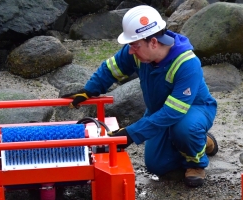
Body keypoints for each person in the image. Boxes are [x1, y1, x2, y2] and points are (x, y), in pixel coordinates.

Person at [63, 5, 218, 187]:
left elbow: (173, 113)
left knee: (184, 129)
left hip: (193, 110)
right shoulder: (137, 50)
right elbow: (111, 69)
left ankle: (196, 162)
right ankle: (195, 142)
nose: (130, 50)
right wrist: (89, 90)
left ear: (153, 42)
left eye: (134, 45)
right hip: (159, 110)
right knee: (157, 166)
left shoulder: (187, 63)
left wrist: (131, 133)